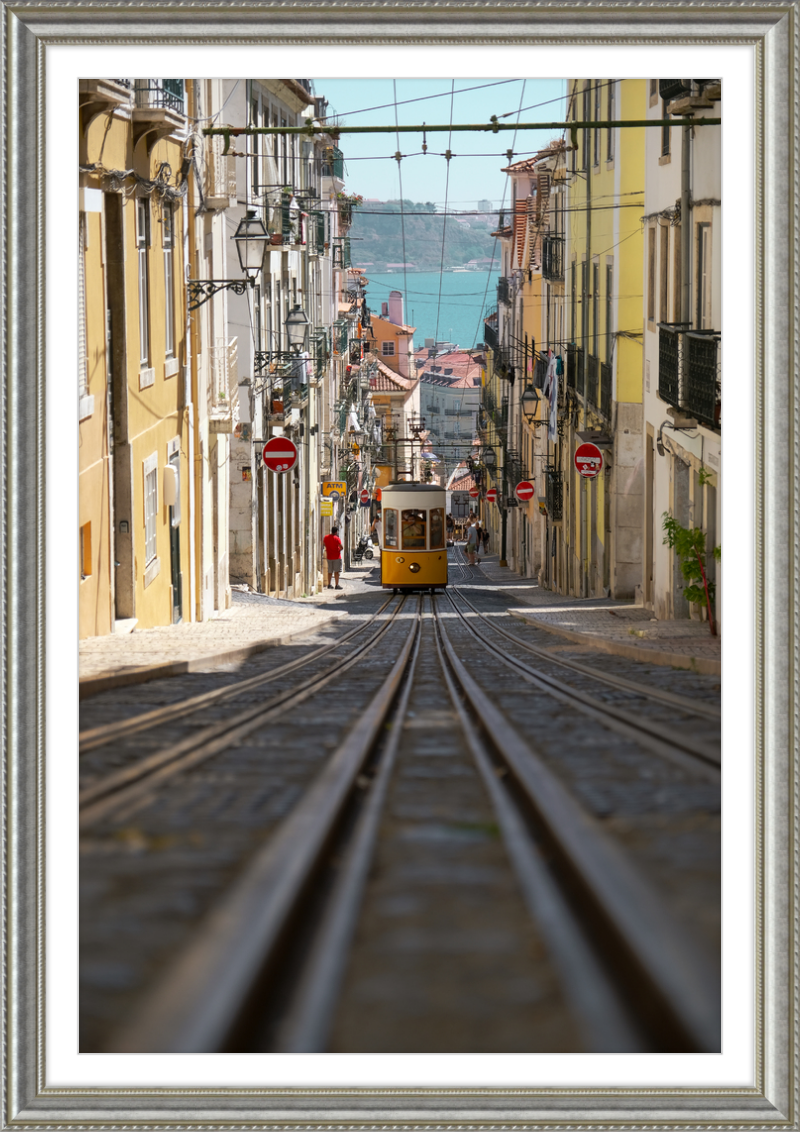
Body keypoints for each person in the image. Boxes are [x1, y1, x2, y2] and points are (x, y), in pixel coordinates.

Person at [323, 525, 344, 590]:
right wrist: (338, 549)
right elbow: (341, 547)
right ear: (336, 532)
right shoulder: (337, 538)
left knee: (329, 571)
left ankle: (329, 584)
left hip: (329, 557)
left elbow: (324, 544)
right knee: (336, 572)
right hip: (336, 557)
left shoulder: (326, 537)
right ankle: (336, 585)